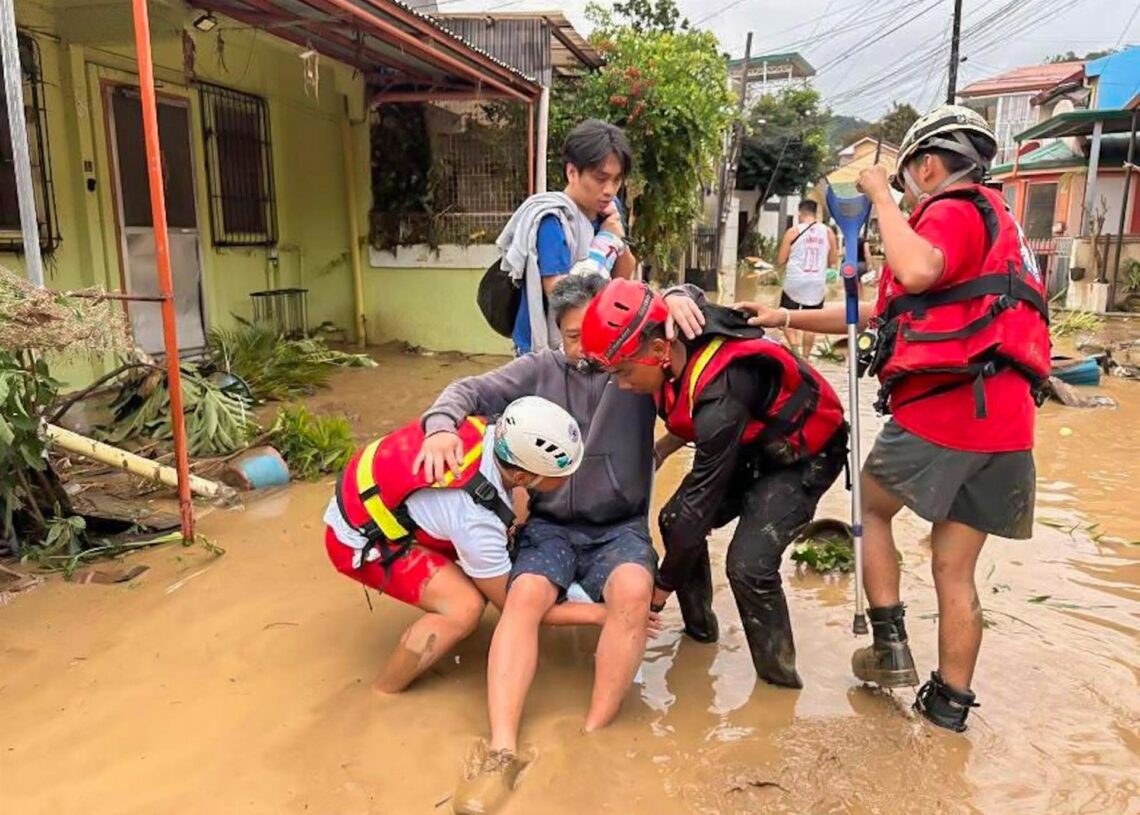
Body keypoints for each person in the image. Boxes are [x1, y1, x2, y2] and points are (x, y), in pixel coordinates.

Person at [733, 105, 1051, 732]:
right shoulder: (995, 229)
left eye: (905, 175)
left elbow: (917, 270)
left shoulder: (953, 212)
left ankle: (889, 646)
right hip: (1007, 427)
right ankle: (948, 709)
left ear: (928, 165)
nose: (902, 187)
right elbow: (876, 314)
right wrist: (784, 318)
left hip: (950, 412)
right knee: (955, 567)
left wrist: (879, 194)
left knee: (870, 506)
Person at [420, 275, 704, 815]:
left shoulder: (633, 369)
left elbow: (692, 340)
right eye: (572, 337)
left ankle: (593, 738)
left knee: (633, 588)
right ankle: (502, 749)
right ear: (557, 334)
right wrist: (440, 427)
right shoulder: (539, 370)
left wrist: (683, 295)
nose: (585, 350)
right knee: (524, 595)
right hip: (550, 526)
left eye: (590, 335)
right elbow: (467, 391)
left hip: (620, 526)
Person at [579, 279, 849, 689]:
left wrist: (660, 590)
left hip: (803, 456)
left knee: (748, 565)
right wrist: (666, 447)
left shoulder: (724, 390)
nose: (622, 385)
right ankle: (700, 634)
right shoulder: (676, 332)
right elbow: (690, 299)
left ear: (657, 352)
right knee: (671, 521)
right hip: (752, 443)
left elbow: (700, 507)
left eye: (624, 372)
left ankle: (778, 687)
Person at [324, 396, 595, 695]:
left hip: (373, 496)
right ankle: (385, 691)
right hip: (355, 539)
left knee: (516, 513)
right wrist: (600, 614)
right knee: (464, 608)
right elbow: (514, 606)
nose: (569, 479)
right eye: (562, 476)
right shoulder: (475, 519)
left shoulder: (487, 428)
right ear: (521, 475)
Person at [496, 119, 638, 355]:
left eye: (617, 179)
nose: (609, 190)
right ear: (572, 172)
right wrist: (604, 244)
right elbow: (562, 295)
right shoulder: (553, 220)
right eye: (601, 178)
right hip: (546, 349)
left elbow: (623, 276)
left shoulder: (610, 210)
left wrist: (616, 239)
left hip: (592, 340)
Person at [777, 199, 838, 358]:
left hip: (794, 282)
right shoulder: (828, 232)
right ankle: (806, 357)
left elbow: (781, 260)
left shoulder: (793, 232)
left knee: (786, 316)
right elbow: (833, 260)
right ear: (816, 213)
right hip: (816, 282)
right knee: (812, 322)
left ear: (800, 213)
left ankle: (795, 349)